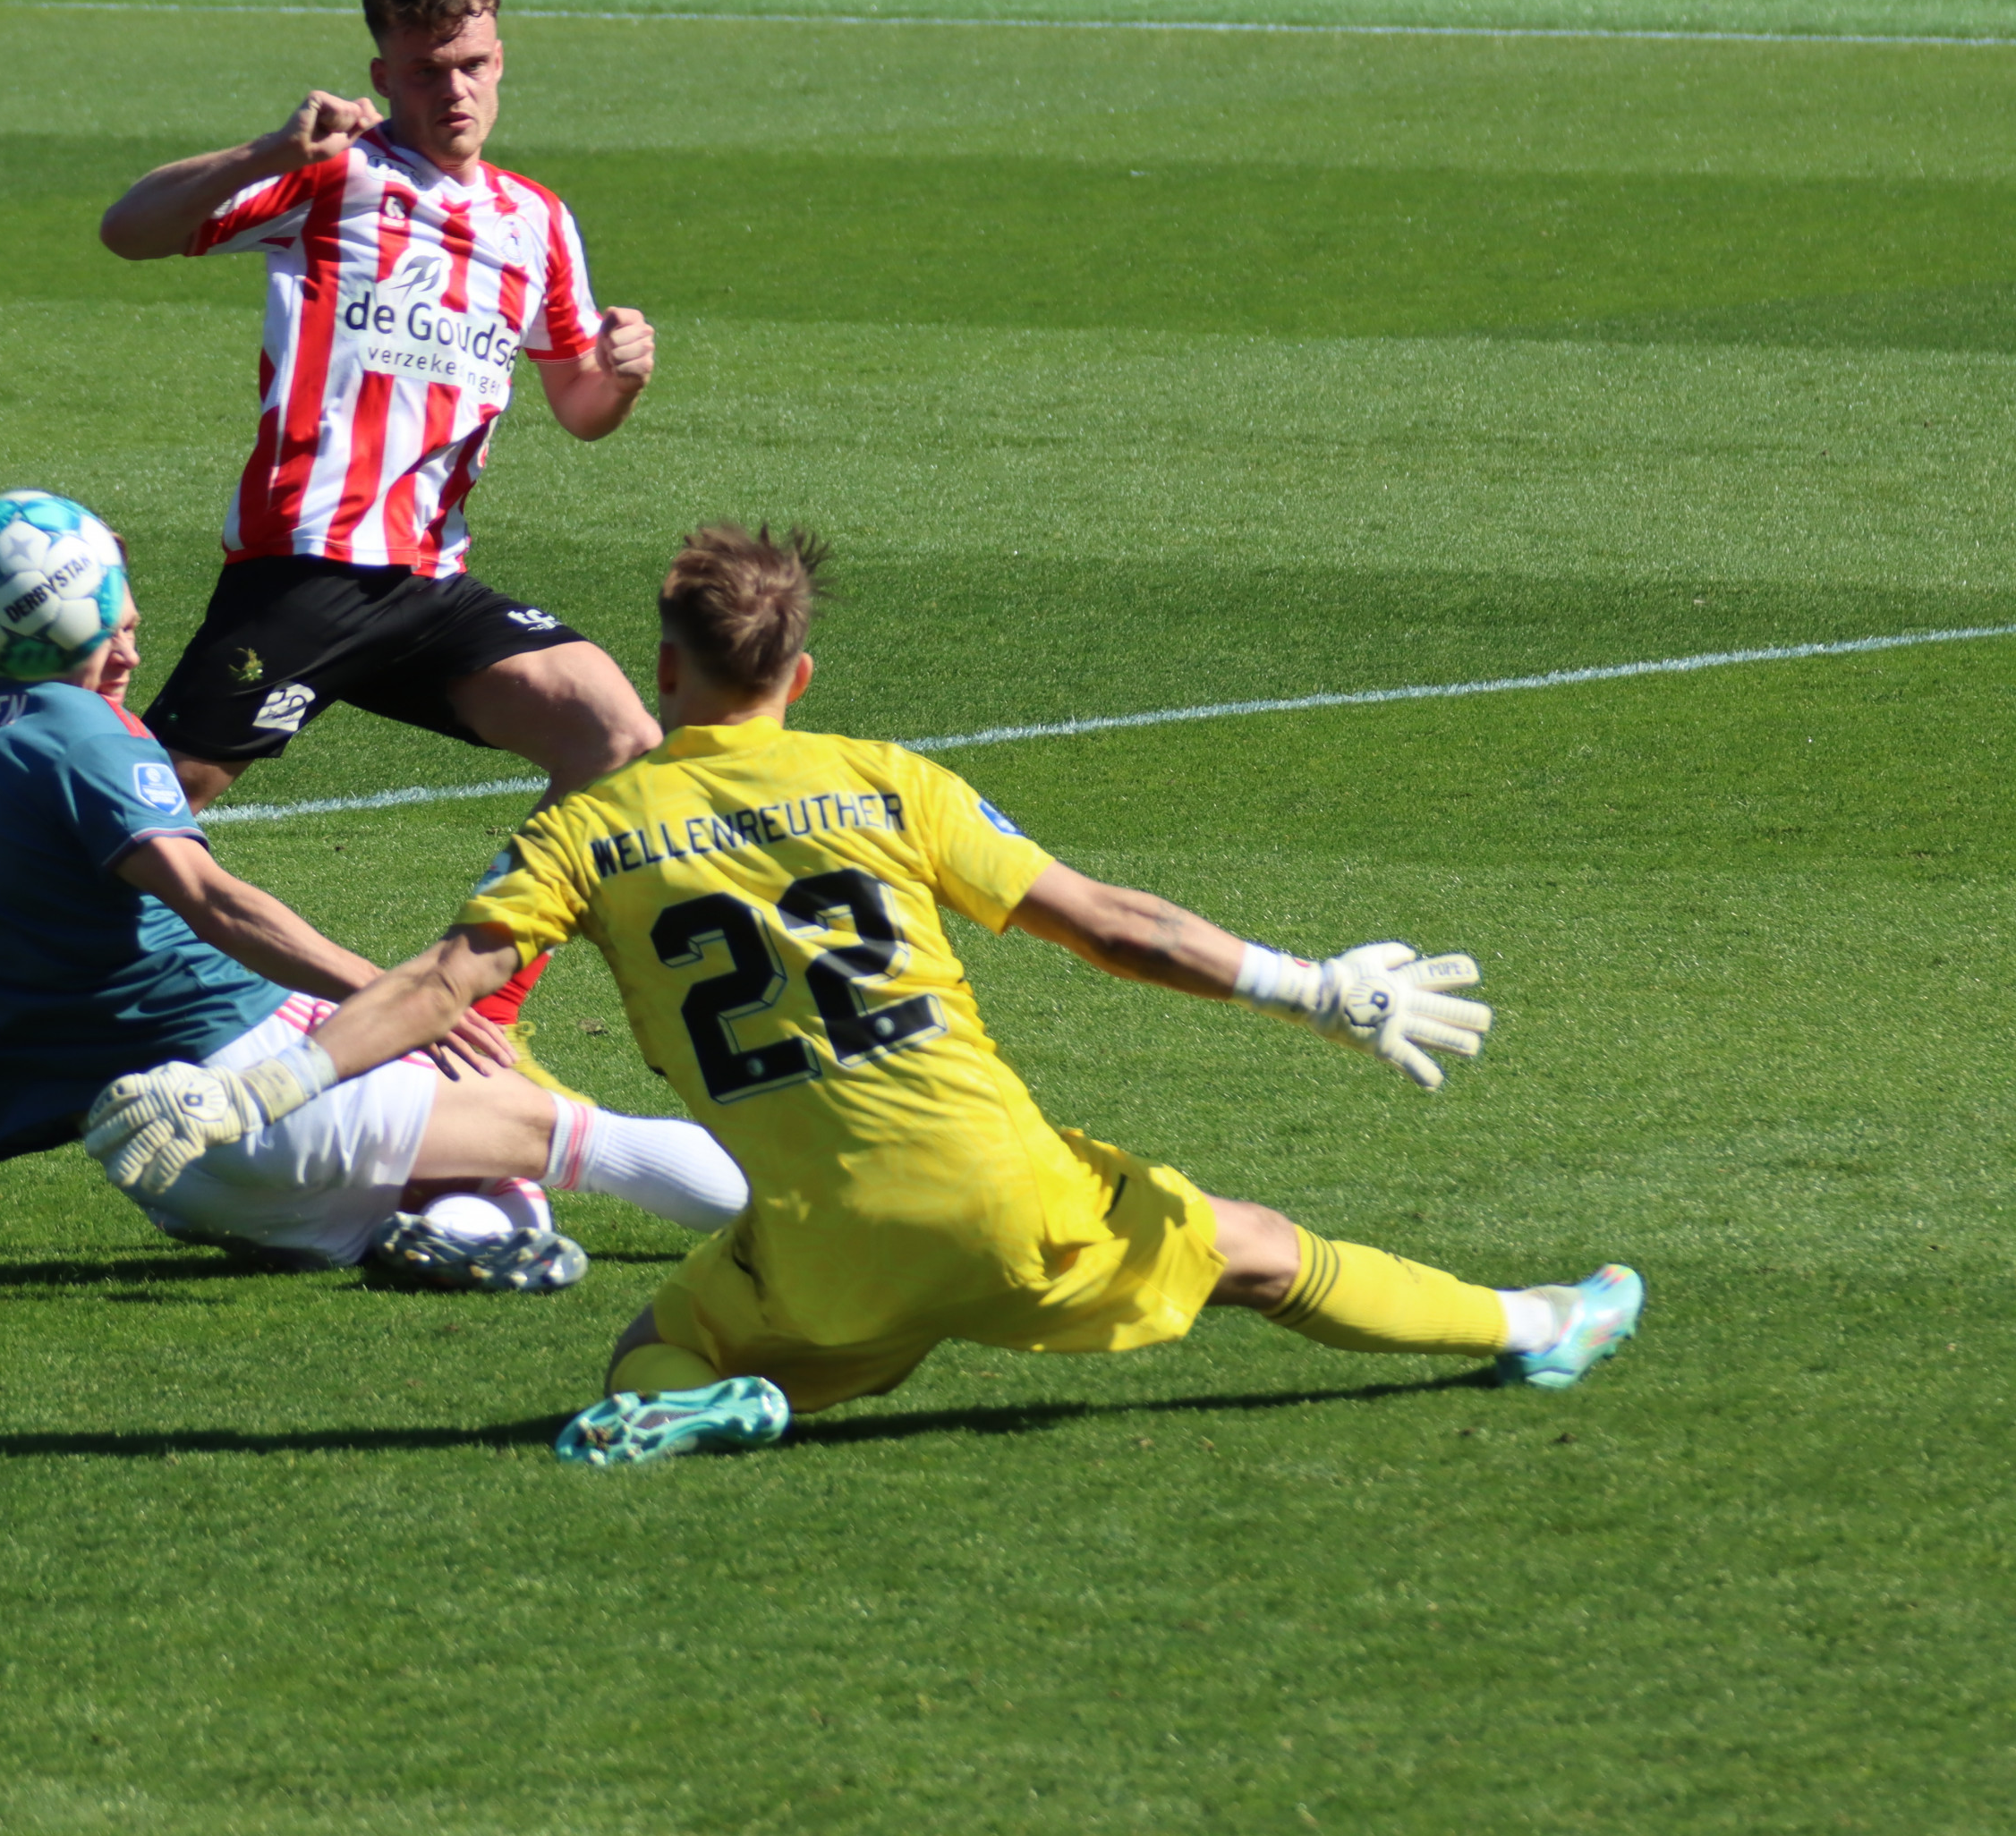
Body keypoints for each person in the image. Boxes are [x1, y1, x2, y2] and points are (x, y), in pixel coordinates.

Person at [87, 523, 1645, 1463]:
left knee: (663, 1337)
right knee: (1253, 1252)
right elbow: (1111, 926)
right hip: (1009, 1207)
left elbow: (443, 986)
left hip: (819, 1261)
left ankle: (720, 1405)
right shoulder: (883, 781)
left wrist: (256, 1087)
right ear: (800, 679)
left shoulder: (586, 828)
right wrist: (1316, 988)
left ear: (666, 671)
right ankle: (1538, 1320)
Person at [0, 0, 659, 1123]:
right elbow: (128, 230)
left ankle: (477, 1016)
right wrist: (273, 149)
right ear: (383, 70)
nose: (457, 91)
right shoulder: (335, 177)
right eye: (429, 69)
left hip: (432, 585)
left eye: (476, 64)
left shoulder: (537, 221)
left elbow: (583, 406)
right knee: (131, 812)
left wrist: (625, 371)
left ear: (502, 57)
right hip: (304, 574)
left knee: (622, 740)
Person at [0, 495, 750, 1291]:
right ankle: (832, 1216)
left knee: (479, 1174)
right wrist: (403, 1000)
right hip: (247, 1082)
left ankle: (458, 1237)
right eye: (121, 627)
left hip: (161, 1152)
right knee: (572, 1134)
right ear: (87, 614)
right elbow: (213, 903)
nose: (134, 651)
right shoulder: (87, 734)